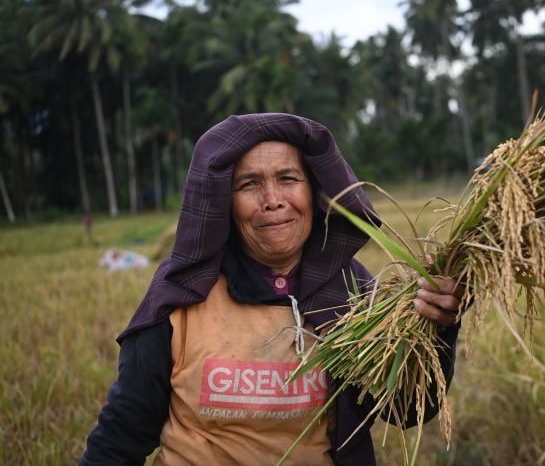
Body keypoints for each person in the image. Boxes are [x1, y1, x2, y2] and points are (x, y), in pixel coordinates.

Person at [80, 113, 463, 465]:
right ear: (223, 202)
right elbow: (122, 434)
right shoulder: (181, 296)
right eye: (249, 184)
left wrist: (439, 327)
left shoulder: (355, 295)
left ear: (314, 192)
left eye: (288, 179)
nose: (273, 201)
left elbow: (407, 409)